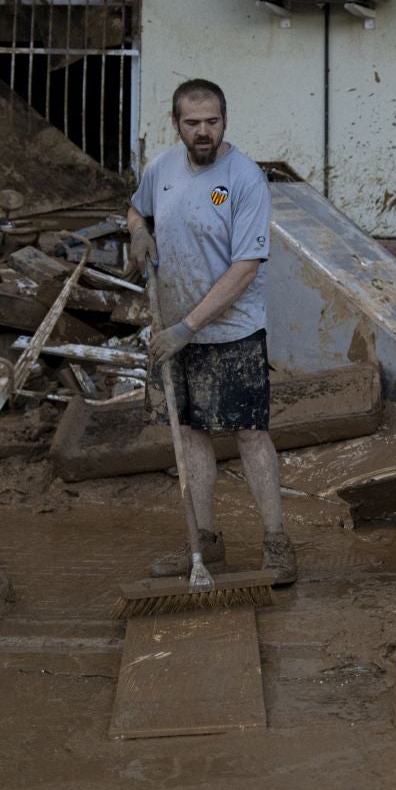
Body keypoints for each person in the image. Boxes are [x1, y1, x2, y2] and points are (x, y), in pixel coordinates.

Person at [126, 78, 296, 585]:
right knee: (191, 435)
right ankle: (204, 543)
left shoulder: (243, 179)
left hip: (232, 331)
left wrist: (189, 325)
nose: (203, 131)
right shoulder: (161, 169)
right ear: (175, 123)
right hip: (173, 330)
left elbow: (246, 266)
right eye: (193, 122)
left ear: (225, 120)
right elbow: (137, 206)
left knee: (249, 432)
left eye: (212, 121)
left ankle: (276, 545)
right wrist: (137, 229)